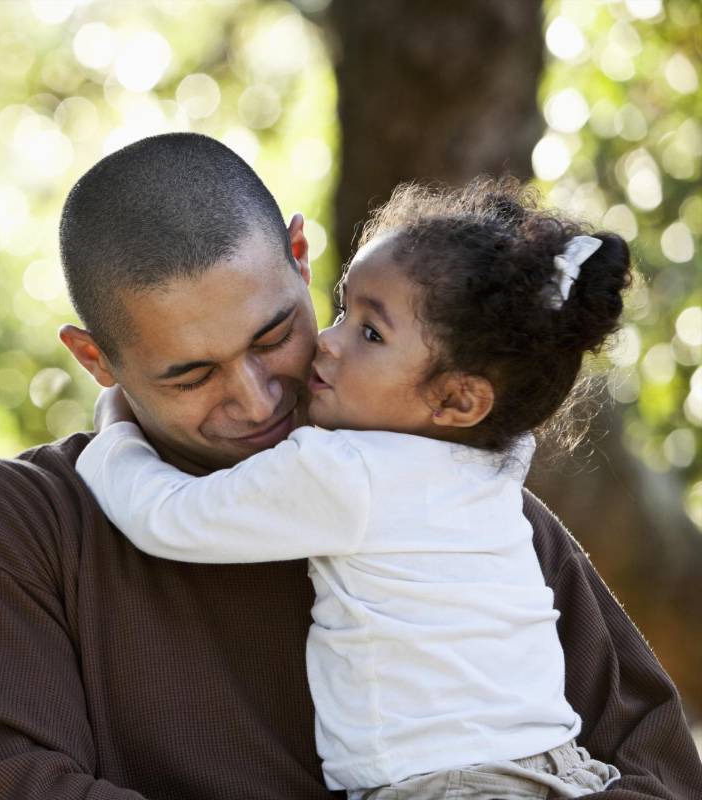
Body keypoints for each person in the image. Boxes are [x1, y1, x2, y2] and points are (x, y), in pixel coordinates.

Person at [0, 133, 702, 799]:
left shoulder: (459, 496)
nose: (257, 397)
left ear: (303, 257)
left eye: (274, 335)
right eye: (191, 375)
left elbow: (659, 771)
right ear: (97, 360)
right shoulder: (13, 528)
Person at [75, 178, 628, 798]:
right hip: (559, 767)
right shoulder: (491, 474)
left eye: (370, 334)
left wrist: (114, 430)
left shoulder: (345, 471)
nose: (329, 343)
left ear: (458, 398)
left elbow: (167, 517)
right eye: (343, 311)